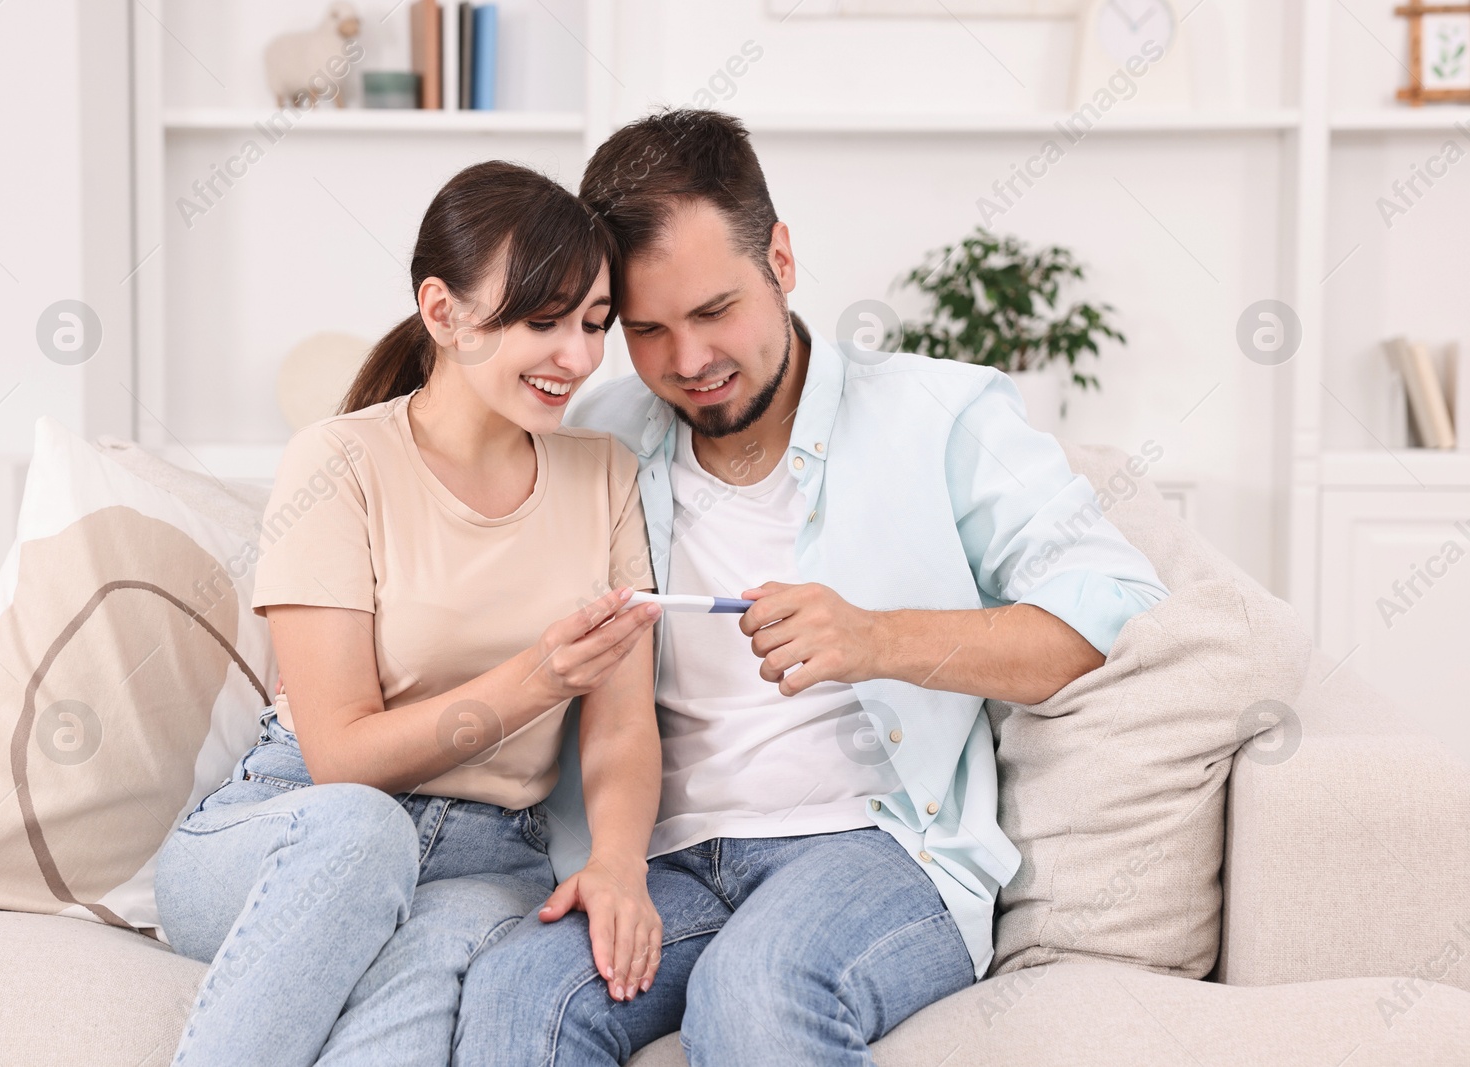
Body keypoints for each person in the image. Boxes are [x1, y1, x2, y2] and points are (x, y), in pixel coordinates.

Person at [454, 111, 1171, 1066]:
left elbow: (1111, 600)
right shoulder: (599, 437)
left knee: (756, 988)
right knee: (516, 995)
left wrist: (877, 638)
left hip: (877, 852)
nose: (688, 362)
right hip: (659, 856)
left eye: (715, 312)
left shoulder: (941, 412)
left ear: (781, 259)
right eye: (648, 331)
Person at [153, 160, 665, 1067]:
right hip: (298, 825)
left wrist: (619, 862)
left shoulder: (607, 475)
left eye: (595, 325)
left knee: (417, 1001)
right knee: (363, 831)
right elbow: (340, 756)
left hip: (487, 858)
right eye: (543, 323)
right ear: (443, 313)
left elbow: (623, 725)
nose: (580, 359)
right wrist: (537, 679)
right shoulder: (339, 463)